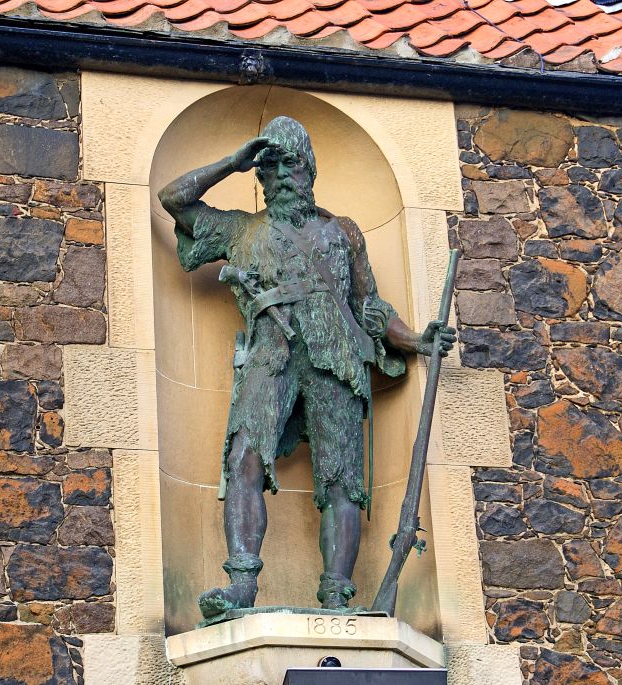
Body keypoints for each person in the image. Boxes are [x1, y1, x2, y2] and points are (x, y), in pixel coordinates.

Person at [158, 116, 456, 620]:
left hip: (336, 358)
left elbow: (370, 308)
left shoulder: (344, 234)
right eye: (269, 167)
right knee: (244, 460)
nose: (281, 175)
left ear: (309, 169)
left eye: (290, 163)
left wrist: (417, 340)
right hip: (270, 354)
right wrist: (233, 161)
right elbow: (174, 199)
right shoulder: (241, 228)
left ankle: (339, 593)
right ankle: (242, 585)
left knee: (342, 480)